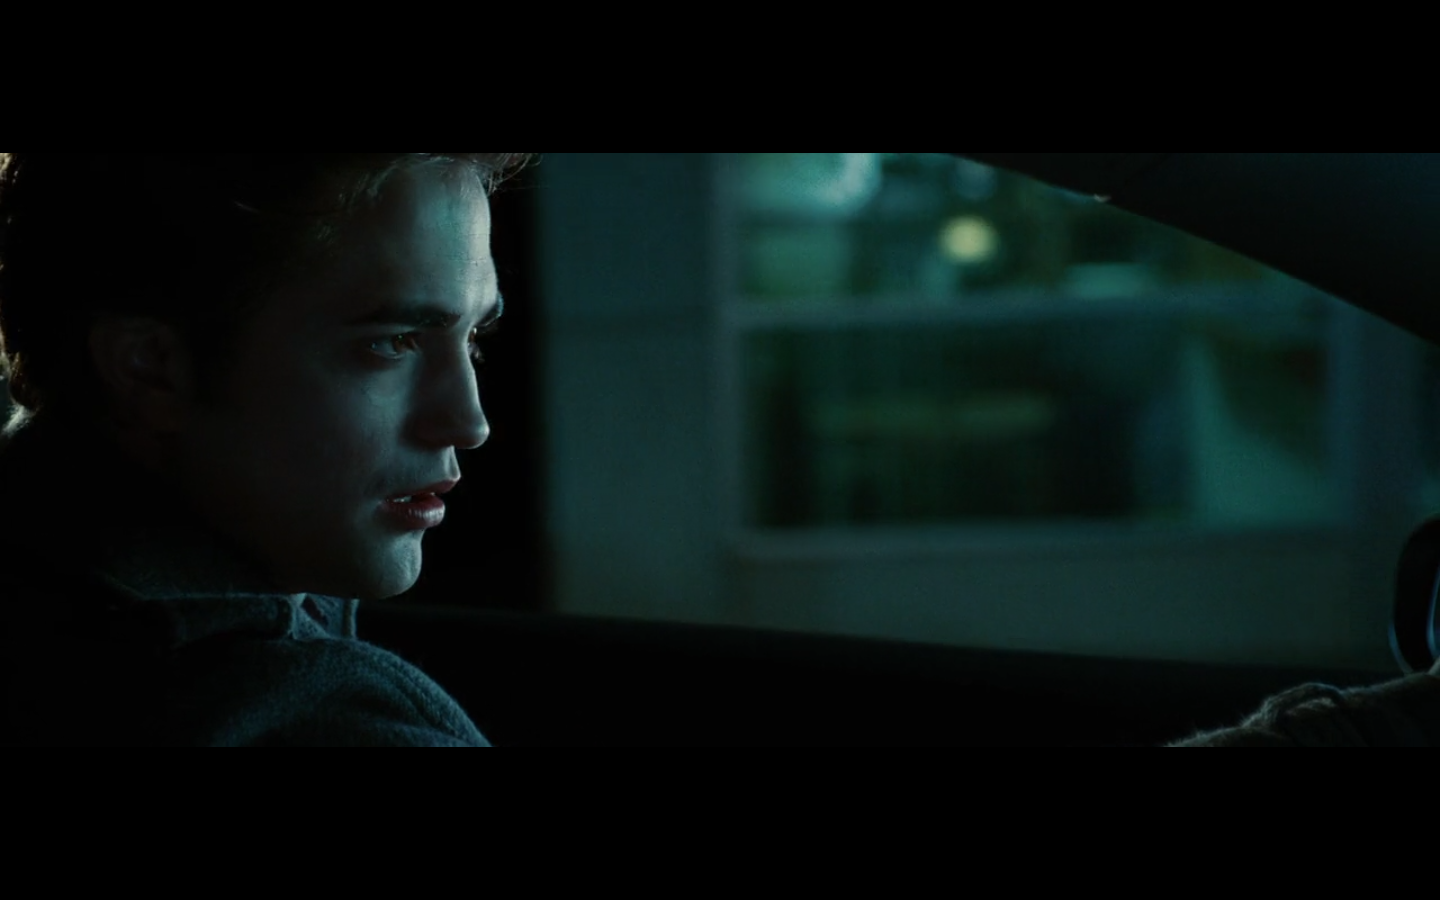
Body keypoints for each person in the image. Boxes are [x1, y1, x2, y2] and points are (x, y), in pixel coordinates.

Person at [0, 153, 530, 746]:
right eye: (393, 342)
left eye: (474, 338)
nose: (470, 423)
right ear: (150, 370)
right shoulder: (315, 722)